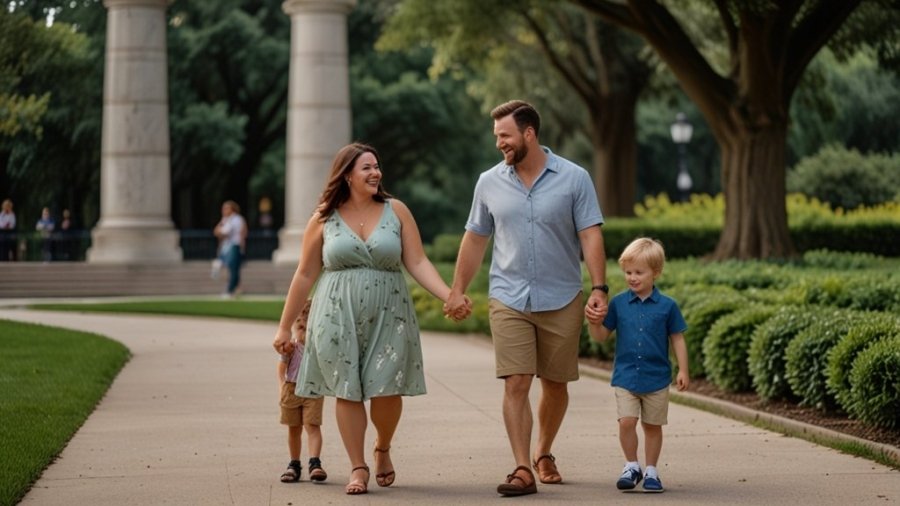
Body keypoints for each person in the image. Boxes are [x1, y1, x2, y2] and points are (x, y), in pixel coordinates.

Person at [271, 142, 471, 495]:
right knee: (347, 390)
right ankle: (358, 466)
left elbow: (419, 262)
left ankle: (382, 446)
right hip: (335, 314)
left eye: (377, 166)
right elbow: (304, 274)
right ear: (347, 174)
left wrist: (450, 296)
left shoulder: (397, 211)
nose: (375, 172)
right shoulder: (323, 218)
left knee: (387, 390)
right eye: (366, 167)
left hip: (390, 313)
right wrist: (285, 326)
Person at [443, 100, 608, 496]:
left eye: (505, 135)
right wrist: (457, 290)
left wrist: (600, 287)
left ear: (529, 134)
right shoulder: (489, 182)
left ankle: (543, 452)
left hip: (562, 296)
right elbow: (475, 238)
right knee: (516, 381)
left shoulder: (574, 178)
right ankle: (521, 468)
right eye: (496, 135)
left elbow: (590, 235)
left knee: (555, 384)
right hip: (509, 296)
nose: (499, 142)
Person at [586, 237, 689, 493]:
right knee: (626, 422)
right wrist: (593, 322)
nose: (632, 277)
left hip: (657, 378)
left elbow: (677, 338)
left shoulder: (668, 306)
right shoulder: (619, 304)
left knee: (652, 426)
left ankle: (652, 470)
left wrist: (684, 370)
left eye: (639, 272)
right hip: (626, 377)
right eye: (628, 272)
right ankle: (631, 465)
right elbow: (600, 338)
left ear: (655, 273)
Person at [277, 298, 327, 484]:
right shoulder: (291, 347)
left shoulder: (317, 348)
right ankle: (294, 464)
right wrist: (282, 386)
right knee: (293, 429)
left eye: (308, 328)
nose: (303, 332)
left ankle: (315, 463)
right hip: (292, 389)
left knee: (312, 426)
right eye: (300, 328)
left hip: (313, 390)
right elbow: (281, 368)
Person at [213, 200, 247, 298]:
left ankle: (230, 290)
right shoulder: (226, 220)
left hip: (234, 246)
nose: (223, 210)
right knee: (226, 265)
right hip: (226, 246)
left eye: (226, 208)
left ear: (232, 209)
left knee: (233, 269)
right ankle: (235, 288)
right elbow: (216, 231)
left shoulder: (236, 219)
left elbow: (225, 232)